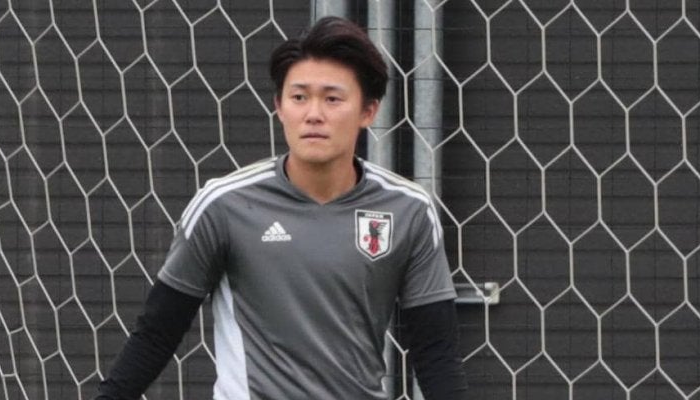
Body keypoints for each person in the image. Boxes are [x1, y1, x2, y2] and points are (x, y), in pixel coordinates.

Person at [96, 16, 469, 400]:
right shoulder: (223, 205)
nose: (313, 114)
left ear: (368, 111)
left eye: (332, 99)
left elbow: (436, 353)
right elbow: (157, 334)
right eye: (299, 97)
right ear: (279, 106)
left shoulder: (409, 210)